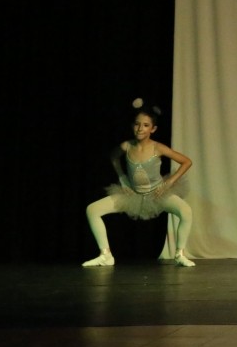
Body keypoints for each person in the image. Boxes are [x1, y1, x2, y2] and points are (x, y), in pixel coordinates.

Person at [82, 98, 196, 267]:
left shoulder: (159, 148)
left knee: (186, 211)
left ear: (153, 129)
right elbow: (113, 158)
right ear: (132, 126)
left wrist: (169, 183)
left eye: (145, 125)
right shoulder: (127, 146)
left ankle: (179, 254)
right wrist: (123, 179)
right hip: (133, 194)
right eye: (137, 124)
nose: (140, 128)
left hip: (157, 194)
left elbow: (186, 161)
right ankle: (105, 254)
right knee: (92, 210)